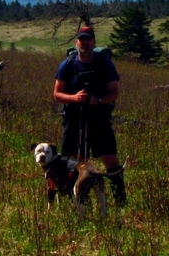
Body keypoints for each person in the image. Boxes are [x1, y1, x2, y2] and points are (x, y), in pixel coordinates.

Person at [53, 26, 127, 206]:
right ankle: (72, 197)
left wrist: (98, 100)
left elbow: (114, 93)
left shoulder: (105, 64)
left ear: (93, 42)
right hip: (73, 117)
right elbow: (56, 94)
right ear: (76, 42)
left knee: (110, 158)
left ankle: (120, 198)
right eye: (81, 39)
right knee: (70, 160)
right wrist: (74, 98)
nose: (84, 43)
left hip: (99, 117)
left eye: (88, 39)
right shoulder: (67, 65)